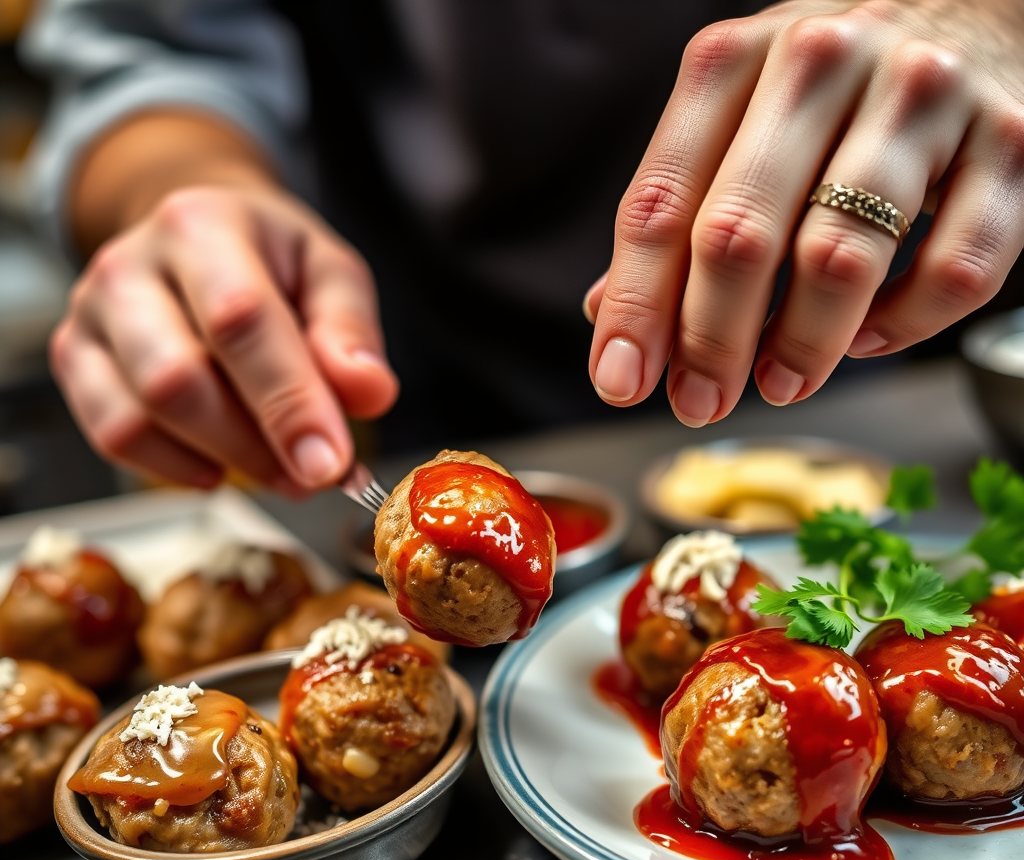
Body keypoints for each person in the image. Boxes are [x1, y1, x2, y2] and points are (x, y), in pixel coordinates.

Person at [20, 0, 1024, 497]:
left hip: (932, 429)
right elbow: (148, 52)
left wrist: (992, 22)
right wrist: (184, 192)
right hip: (423, 399)